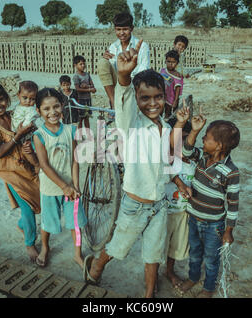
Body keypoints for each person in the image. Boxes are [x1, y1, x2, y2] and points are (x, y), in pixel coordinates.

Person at [82, 40, 186, 298]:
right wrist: (124, 76)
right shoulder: (132, 125)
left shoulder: (164, 125)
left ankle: (149, 294)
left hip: (159, 204)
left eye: (158, 97)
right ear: (137, 99)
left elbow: (168, 161)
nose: (153, 103)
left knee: (153, 252)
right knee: (118, 247)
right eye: (145, 98)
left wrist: (181, 183)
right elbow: (124, 101)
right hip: (135, 205)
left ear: (166, 96)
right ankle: (96, 265)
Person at [174, 107, 241, 298]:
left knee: (212, 260)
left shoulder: (231, 172)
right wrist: (194, 130)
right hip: (194, 218)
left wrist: (229, 231)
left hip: (214, 225)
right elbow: (186, 151)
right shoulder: (203, 158)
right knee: (194, 254)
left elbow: (233, 204)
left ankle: (208, 288)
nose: (203, 140)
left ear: (219, 145)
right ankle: (193, 277)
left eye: (206, 138)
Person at [0, 82, 41, 262]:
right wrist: (18, 135)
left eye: (0, 100)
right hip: (10, 173)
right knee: (28, 207)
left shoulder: (16, 114)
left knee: (36, 202)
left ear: (8, 99)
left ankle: (22, 225)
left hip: (26, 168)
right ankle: (30, 243)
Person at [32, 88, 87, 268]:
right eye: (46, 109)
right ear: (38, 111)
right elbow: (45, 166)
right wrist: (64, 186)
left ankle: (78, 254)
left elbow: (74, 160)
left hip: (71, 187)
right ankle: (45, 248)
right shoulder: (39, 136)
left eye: (56, 106)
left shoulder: (70, 130)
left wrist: (75, 186)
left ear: (62, 105)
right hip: (50, 188)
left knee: (76, 222)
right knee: (48, 222)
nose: (52, 112)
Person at [163, 118, 195, 290]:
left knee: (175, 247)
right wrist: (179, 184)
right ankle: (150, 278)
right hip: (163, 211)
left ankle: (169, 271)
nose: (182, 144)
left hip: (183, 212)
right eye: (178, 139)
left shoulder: (194, 161)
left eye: (187, 139)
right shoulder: (166, 158)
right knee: (157, 246)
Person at [97, 12, 150, 111]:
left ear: (131, 28)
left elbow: (144, 70)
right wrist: (106, 61)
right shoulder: (113, 47)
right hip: (118, 82)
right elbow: (111, 70)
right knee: (102, 62)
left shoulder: (142, 46)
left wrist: (128, 72)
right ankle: (114, 103)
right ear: (115, 30)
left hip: (135, 83)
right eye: (118, 29)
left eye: (125, 29)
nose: (121, 33)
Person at [73, 55, 95, 139]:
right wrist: (89, 88)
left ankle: (88, 134)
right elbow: (78, 89)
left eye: (84, 64)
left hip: (87, 100)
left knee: (87, 118)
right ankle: (79, 135)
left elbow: (93, 87)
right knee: (80, 119)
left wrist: (87, 87)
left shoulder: (87, 75)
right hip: (80, 100)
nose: (83, 66)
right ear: (75, 65)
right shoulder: (76, 76)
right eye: (80, 64)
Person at [160, 50, 184, 121]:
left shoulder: (177, 75)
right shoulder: (162, 71)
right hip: (161, 96)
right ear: (165, 61)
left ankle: (168, 127)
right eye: (168, 61)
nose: (171, 64)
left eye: (173, 62)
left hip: (171, 98)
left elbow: (177, 89)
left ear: (177, 63)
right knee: (159, 112)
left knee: (168, 113)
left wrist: (176, 100)